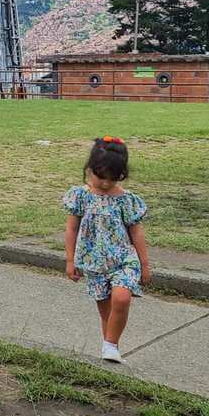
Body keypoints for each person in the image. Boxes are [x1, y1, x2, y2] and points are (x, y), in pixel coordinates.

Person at [63, 136, 150, 364]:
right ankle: (110, 347)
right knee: (107, 312)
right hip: (94, 262)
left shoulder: (126, 200)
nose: (104, 184)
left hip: (123, 259)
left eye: (111, 180)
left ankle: (110, 345)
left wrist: (145, 264)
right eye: (100, 177)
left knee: (121, 298)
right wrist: (70, 261)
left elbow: (136, 233)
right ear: (89, 170)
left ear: (121, 176)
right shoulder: (81, 196)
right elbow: (72, 229)